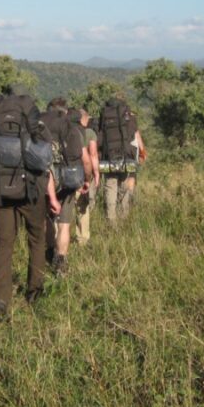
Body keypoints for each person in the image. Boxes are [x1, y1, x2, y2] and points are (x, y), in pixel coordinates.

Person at [0, 84, 61, 320]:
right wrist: (52, 195)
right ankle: (34, 291)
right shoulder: (35, 124)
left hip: (2, 191)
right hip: (32, 190)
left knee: (4, 243)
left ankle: (0, 300)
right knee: (37, 240)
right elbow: (44, 161)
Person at [42, 99, 92, 275]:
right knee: (64, 224)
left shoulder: (40, 128)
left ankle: (48, 253)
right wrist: (86, 179)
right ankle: (61, 262)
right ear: (65, 112)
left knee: (47, 220)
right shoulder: (74, 130)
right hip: (68, 182)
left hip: (45, 180)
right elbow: (85, 160)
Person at [99, 96, 144, 222]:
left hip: (109, 157)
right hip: (127, 156)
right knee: (125, 184)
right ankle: (124, 216)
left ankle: (110, 220)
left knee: (110, 185)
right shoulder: (130, 117)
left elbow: (100, 137)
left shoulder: (105, 115)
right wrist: (142, 153)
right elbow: (136, 136)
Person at [74, 108, 100, 245]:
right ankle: (82, 239)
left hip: (65, 174)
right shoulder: (89, 133)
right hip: (81, 174)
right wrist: (94, 174)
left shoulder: (66, 131)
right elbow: (93, 155)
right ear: (85, 119)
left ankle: (57, 239)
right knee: (82, 207)